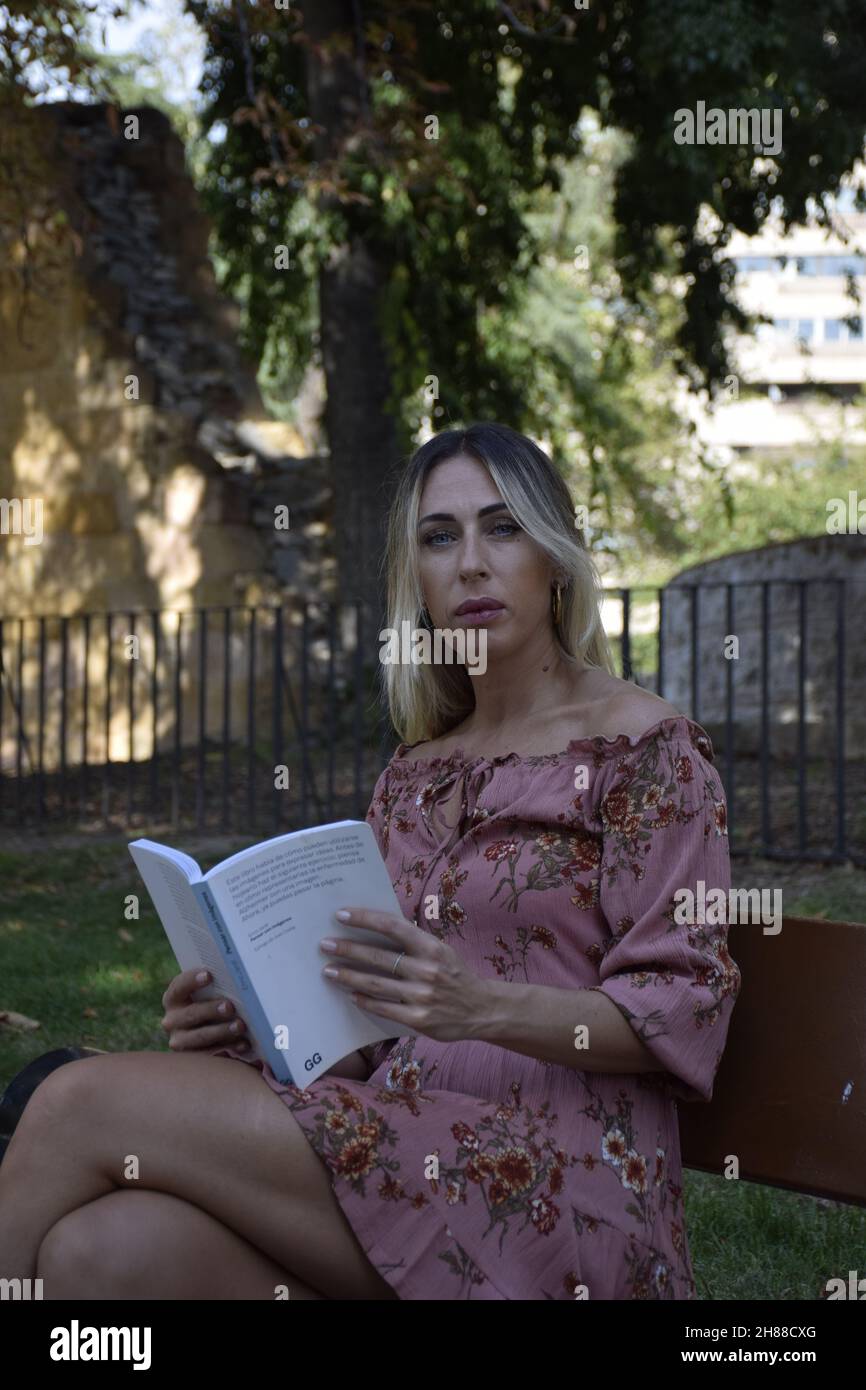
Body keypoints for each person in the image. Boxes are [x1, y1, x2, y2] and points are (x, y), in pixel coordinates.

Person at [0, 422, 740, 1300]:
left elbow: (683, 1015)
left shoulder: (647, 750)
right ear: (415, 581)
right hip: (395, 1150)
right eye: (440, 537)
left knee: (73, 1102)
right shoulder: (411, 775)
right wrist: (252, 1030)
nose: (470, 562)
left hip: (557, 1183)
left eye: (503, 528)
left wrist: (479, 1007)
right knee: (102, 1254)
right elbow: (363, 1041)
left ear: (558, 560)